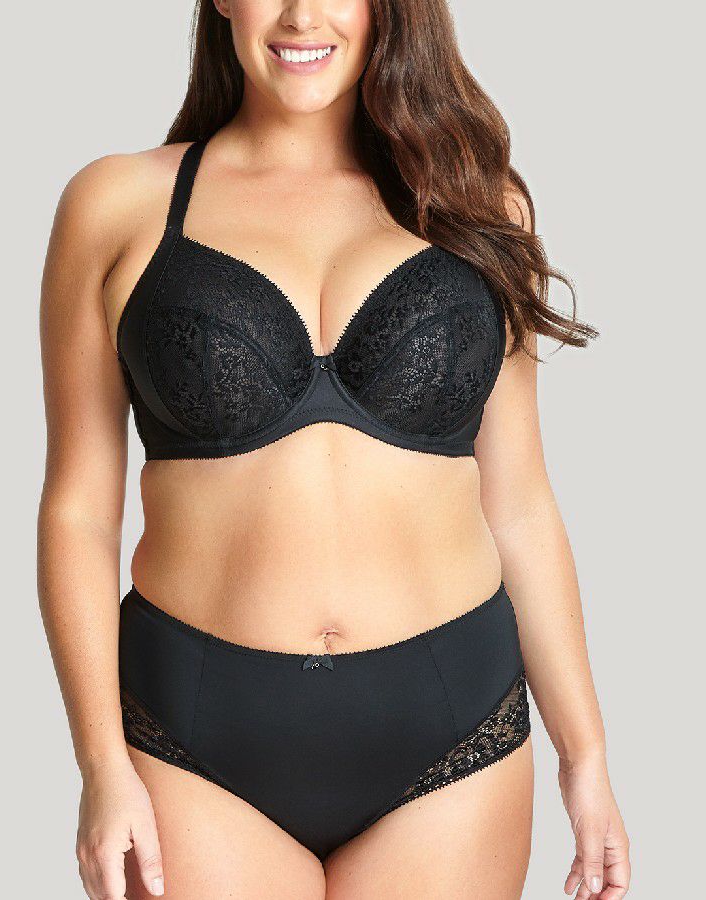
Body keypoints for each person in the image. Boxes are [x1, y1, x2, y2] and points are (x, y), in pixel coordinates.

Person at [38, 1, 630, 897]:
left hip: (451, 736)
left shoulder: (476, 202)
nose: (301, 15)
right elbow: (79, 511)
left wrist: (585, 755)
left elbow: (520, 503)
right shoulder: (117, 204)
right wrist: (100, 765)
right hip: (193, 739)